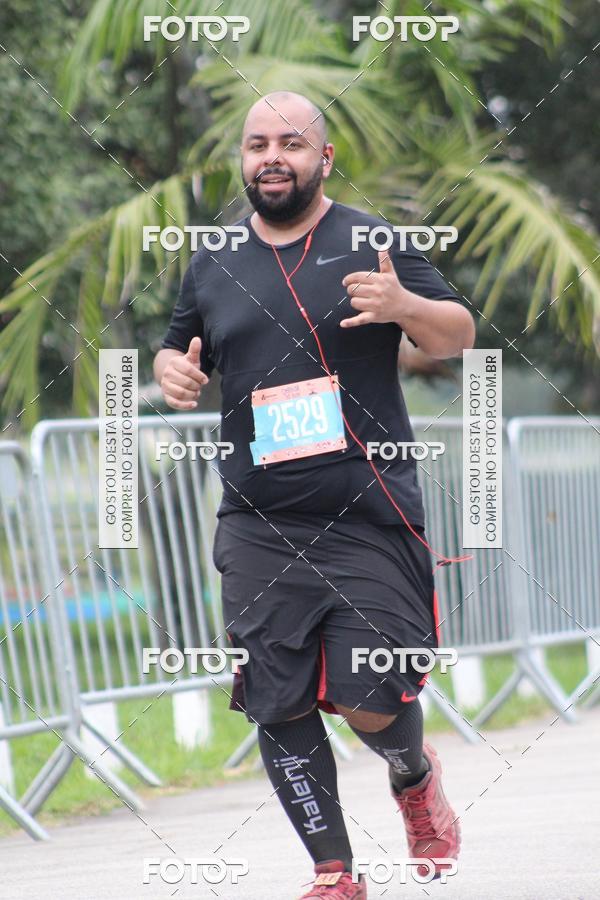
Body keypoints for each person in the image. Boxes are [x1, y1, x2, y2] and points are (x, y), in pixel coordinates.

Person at [154, 91, 475, 899]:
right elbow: (176, 347)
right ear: (243, 158)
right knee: (277, 697)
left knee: (371, 693)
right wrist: (171, 374)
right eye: (257, 143)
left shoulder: (371, 241)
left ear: (323, 158)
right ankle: (335, 873)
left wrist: (404, 307)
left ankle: (412, 774)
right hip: (258, 519)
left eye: (291, 143)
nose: (272, 156)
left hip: (366, 509)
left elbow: (457, 334)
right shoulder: (214, 260)